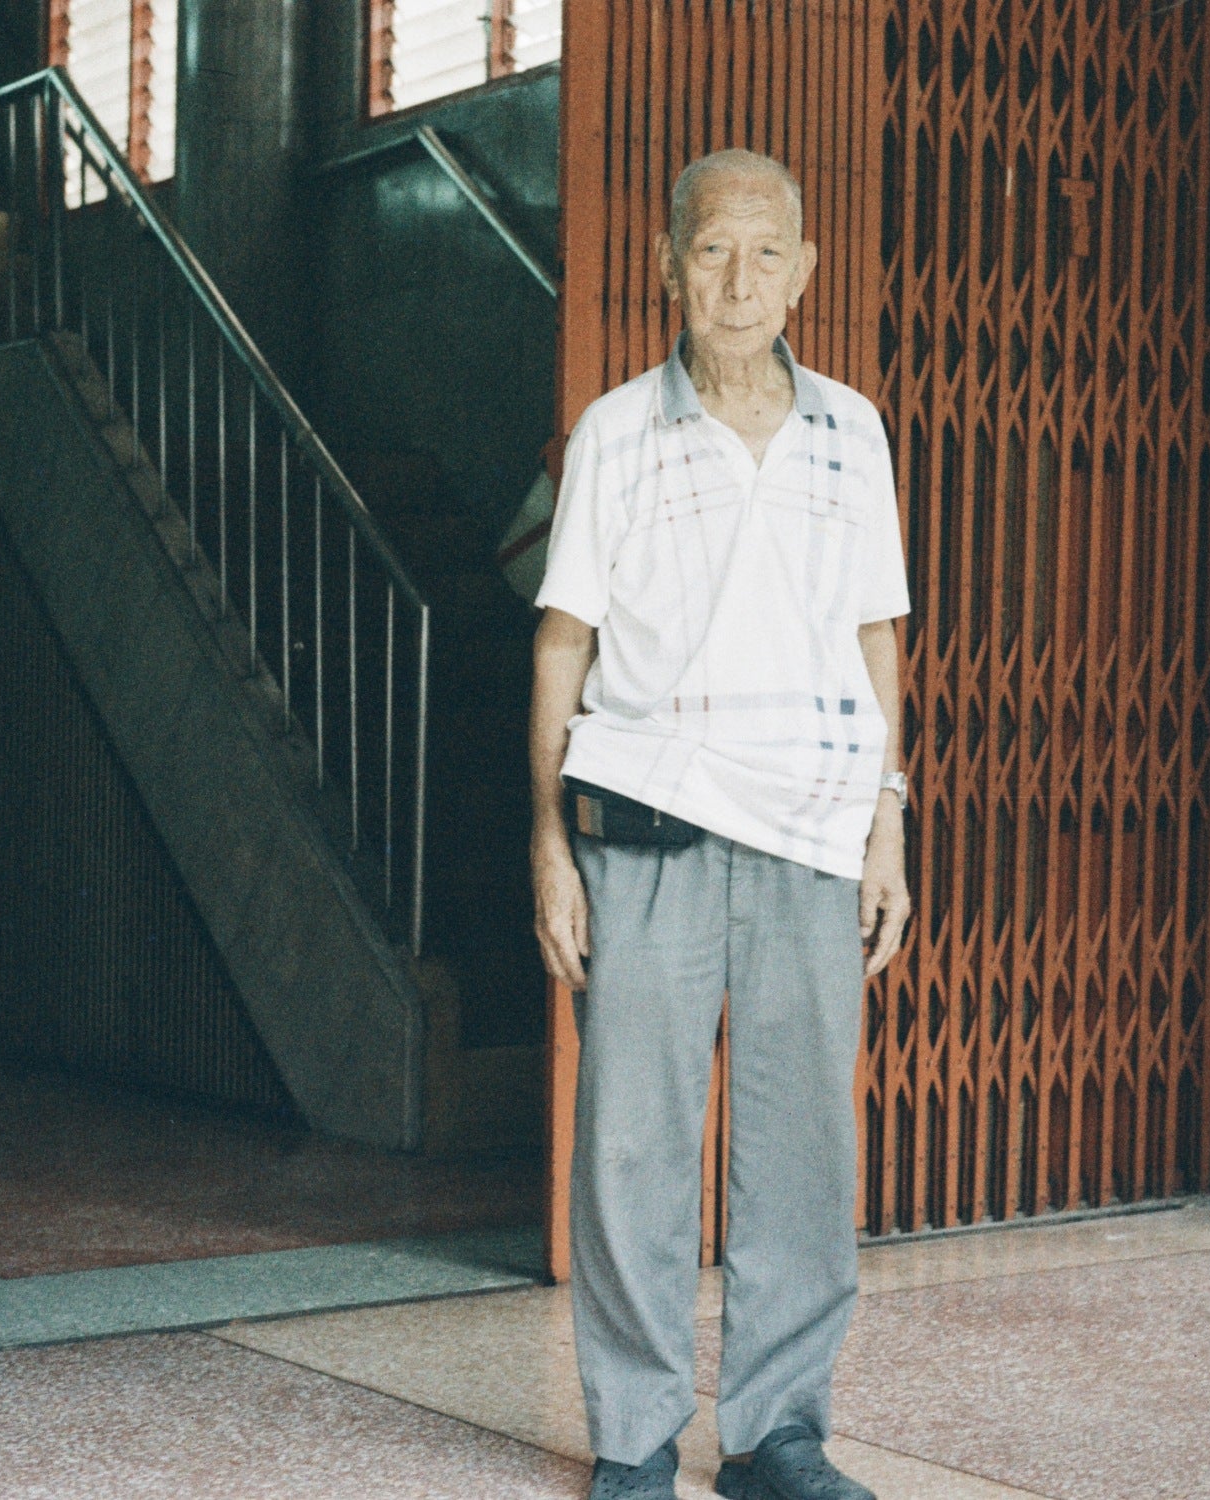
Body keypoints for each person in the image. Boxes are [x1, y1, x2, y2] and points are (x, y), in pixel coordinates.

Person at [530, 147, 911, 1500]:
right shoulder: (618, 431)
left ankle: (775, 1436)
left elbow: (875, 638)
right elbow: (563, 641)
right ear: (665, 262)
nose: (738, 281)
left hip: (813, 826)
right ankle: (634, 1441)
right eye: (711, 250)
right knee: (632, 1142)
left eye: (766, 254)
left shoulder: (852, 432)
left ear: (806, 270)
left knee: (805, 1145)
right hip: (645, 825)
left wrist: (889, 822)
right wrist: (544, 841)